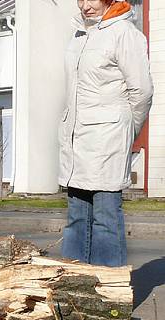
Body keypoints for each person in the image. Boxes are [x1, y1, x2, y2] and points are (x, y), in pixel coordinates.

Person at [59, 0, 153, 266]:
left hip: (107, 140)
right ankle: (73, 288)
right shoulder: (79, 34)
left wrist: (124, 129)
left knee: (105, 218)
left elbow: (142, 92)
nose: (85, 5)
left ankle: (109, 294)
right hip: (77, 141)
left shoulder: (124, 33)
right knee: (76, 217)